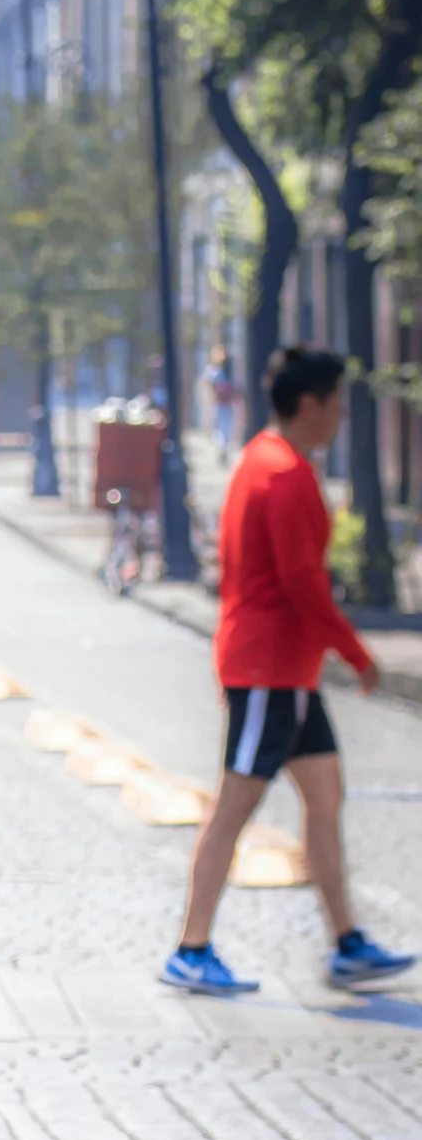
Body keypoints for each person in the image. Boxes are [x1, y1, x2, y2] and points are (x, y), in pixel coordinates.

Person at [163, 344, 415, 997]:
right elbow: (303, 583)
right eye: (335, 402)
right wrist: (356, 654)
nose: (339, 415)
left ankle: (346, 942)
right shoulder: (285, 475)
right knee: (234, 807)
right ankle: (191, 947)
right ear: (311, 404)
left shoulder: (261, 459)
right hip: (269, 670)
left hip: (285, 671)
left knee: (324, 797)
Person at [204, 343, 237, 462]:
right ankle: (223, 448)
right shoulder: (218, 371)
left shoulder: (222, 372)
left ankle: (223, 449)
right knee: (222, 429)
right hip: (223, 404)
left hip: (223, 404)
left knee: (222, 429)